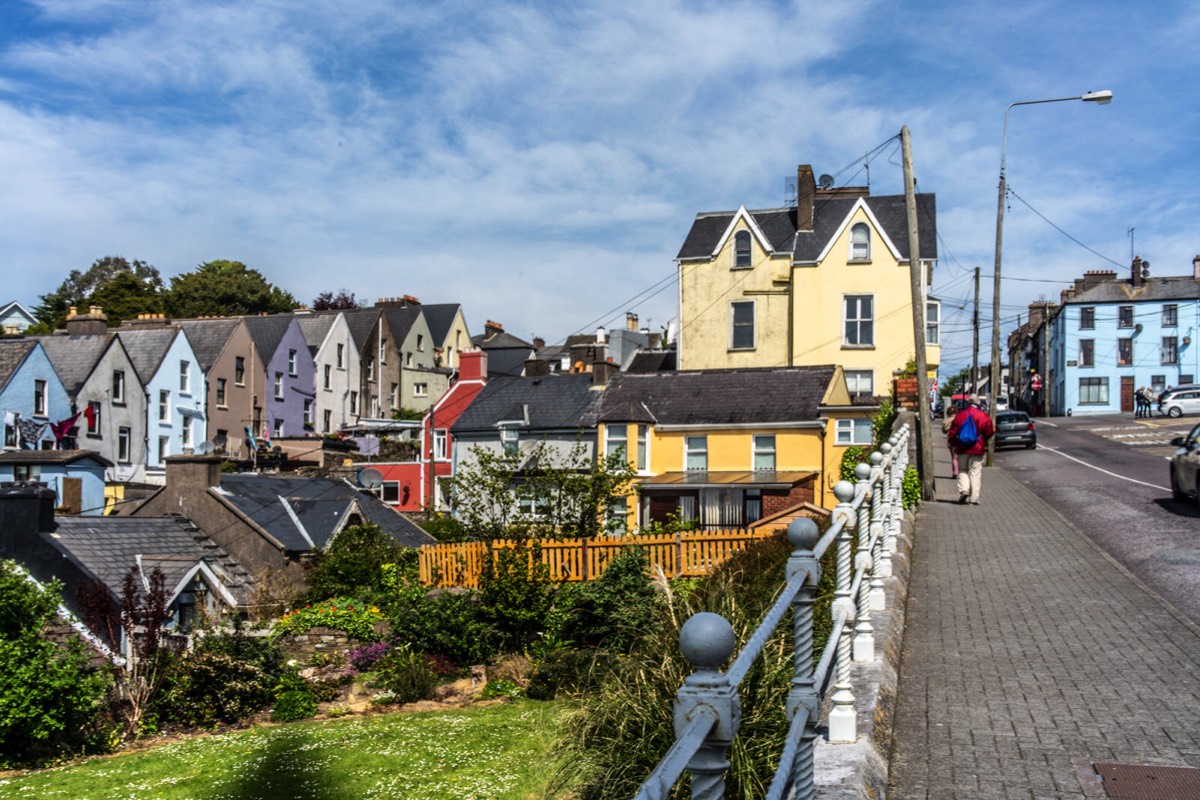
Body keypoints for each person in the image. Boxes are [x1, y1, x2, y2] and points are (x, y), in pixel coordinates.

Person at [948, 394, 995, 505]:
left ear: (968, 403)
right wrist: (984, 440)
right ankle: (974, 498)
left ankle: (964, 490)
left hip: (962, 447)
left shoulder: (960, 415)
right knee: (975, 472)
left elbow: (953, 432)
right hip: (977, 447)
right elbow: (990, 431)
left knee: (963, 470)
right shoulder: (983, 416)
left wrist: (954, 444)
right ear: (978, 403)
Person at [942, 412, 959, 478]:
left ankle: (955, 472)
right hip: (960, 440)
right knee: (958, 457)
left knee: (954, 457)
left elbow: (944, 431)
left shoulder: (947, 420)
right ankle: (959, 471)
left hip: (951, 440)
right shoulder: (959, 418)